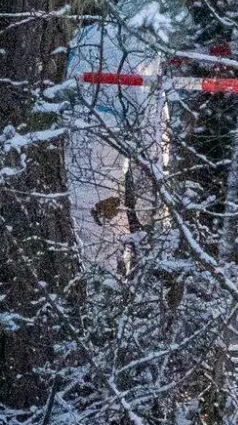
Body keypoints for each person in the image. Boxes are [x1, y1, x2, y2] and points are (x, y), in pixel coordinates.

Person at [66, 19, 170, 270]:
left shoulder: (84, 36)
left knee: (84, 224)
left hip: (75, 133)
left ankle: (88, 287)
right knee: (104, 231)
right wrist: (153, 213)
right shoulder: (146, 48)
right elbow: (152, 135)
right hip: (104, 146)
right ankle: (107, 288)